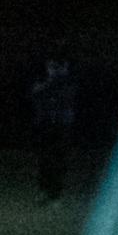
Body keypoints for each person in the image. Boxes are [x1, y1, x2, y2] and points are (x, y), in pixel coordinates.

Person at [28, 52, 78, 205]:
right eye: (52, 66)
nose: (55, 70)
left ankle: (56, 194)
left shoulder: (69, 84)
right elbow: (35, 94)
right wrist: (51, 81)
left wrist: (58, 81)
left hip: (62, 127)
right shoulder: (41, 83)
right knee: (44, 160)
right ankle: (44, 192)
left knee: (59, 160)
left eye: (59, 67)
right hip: (45, 126)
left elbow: (69, 98)